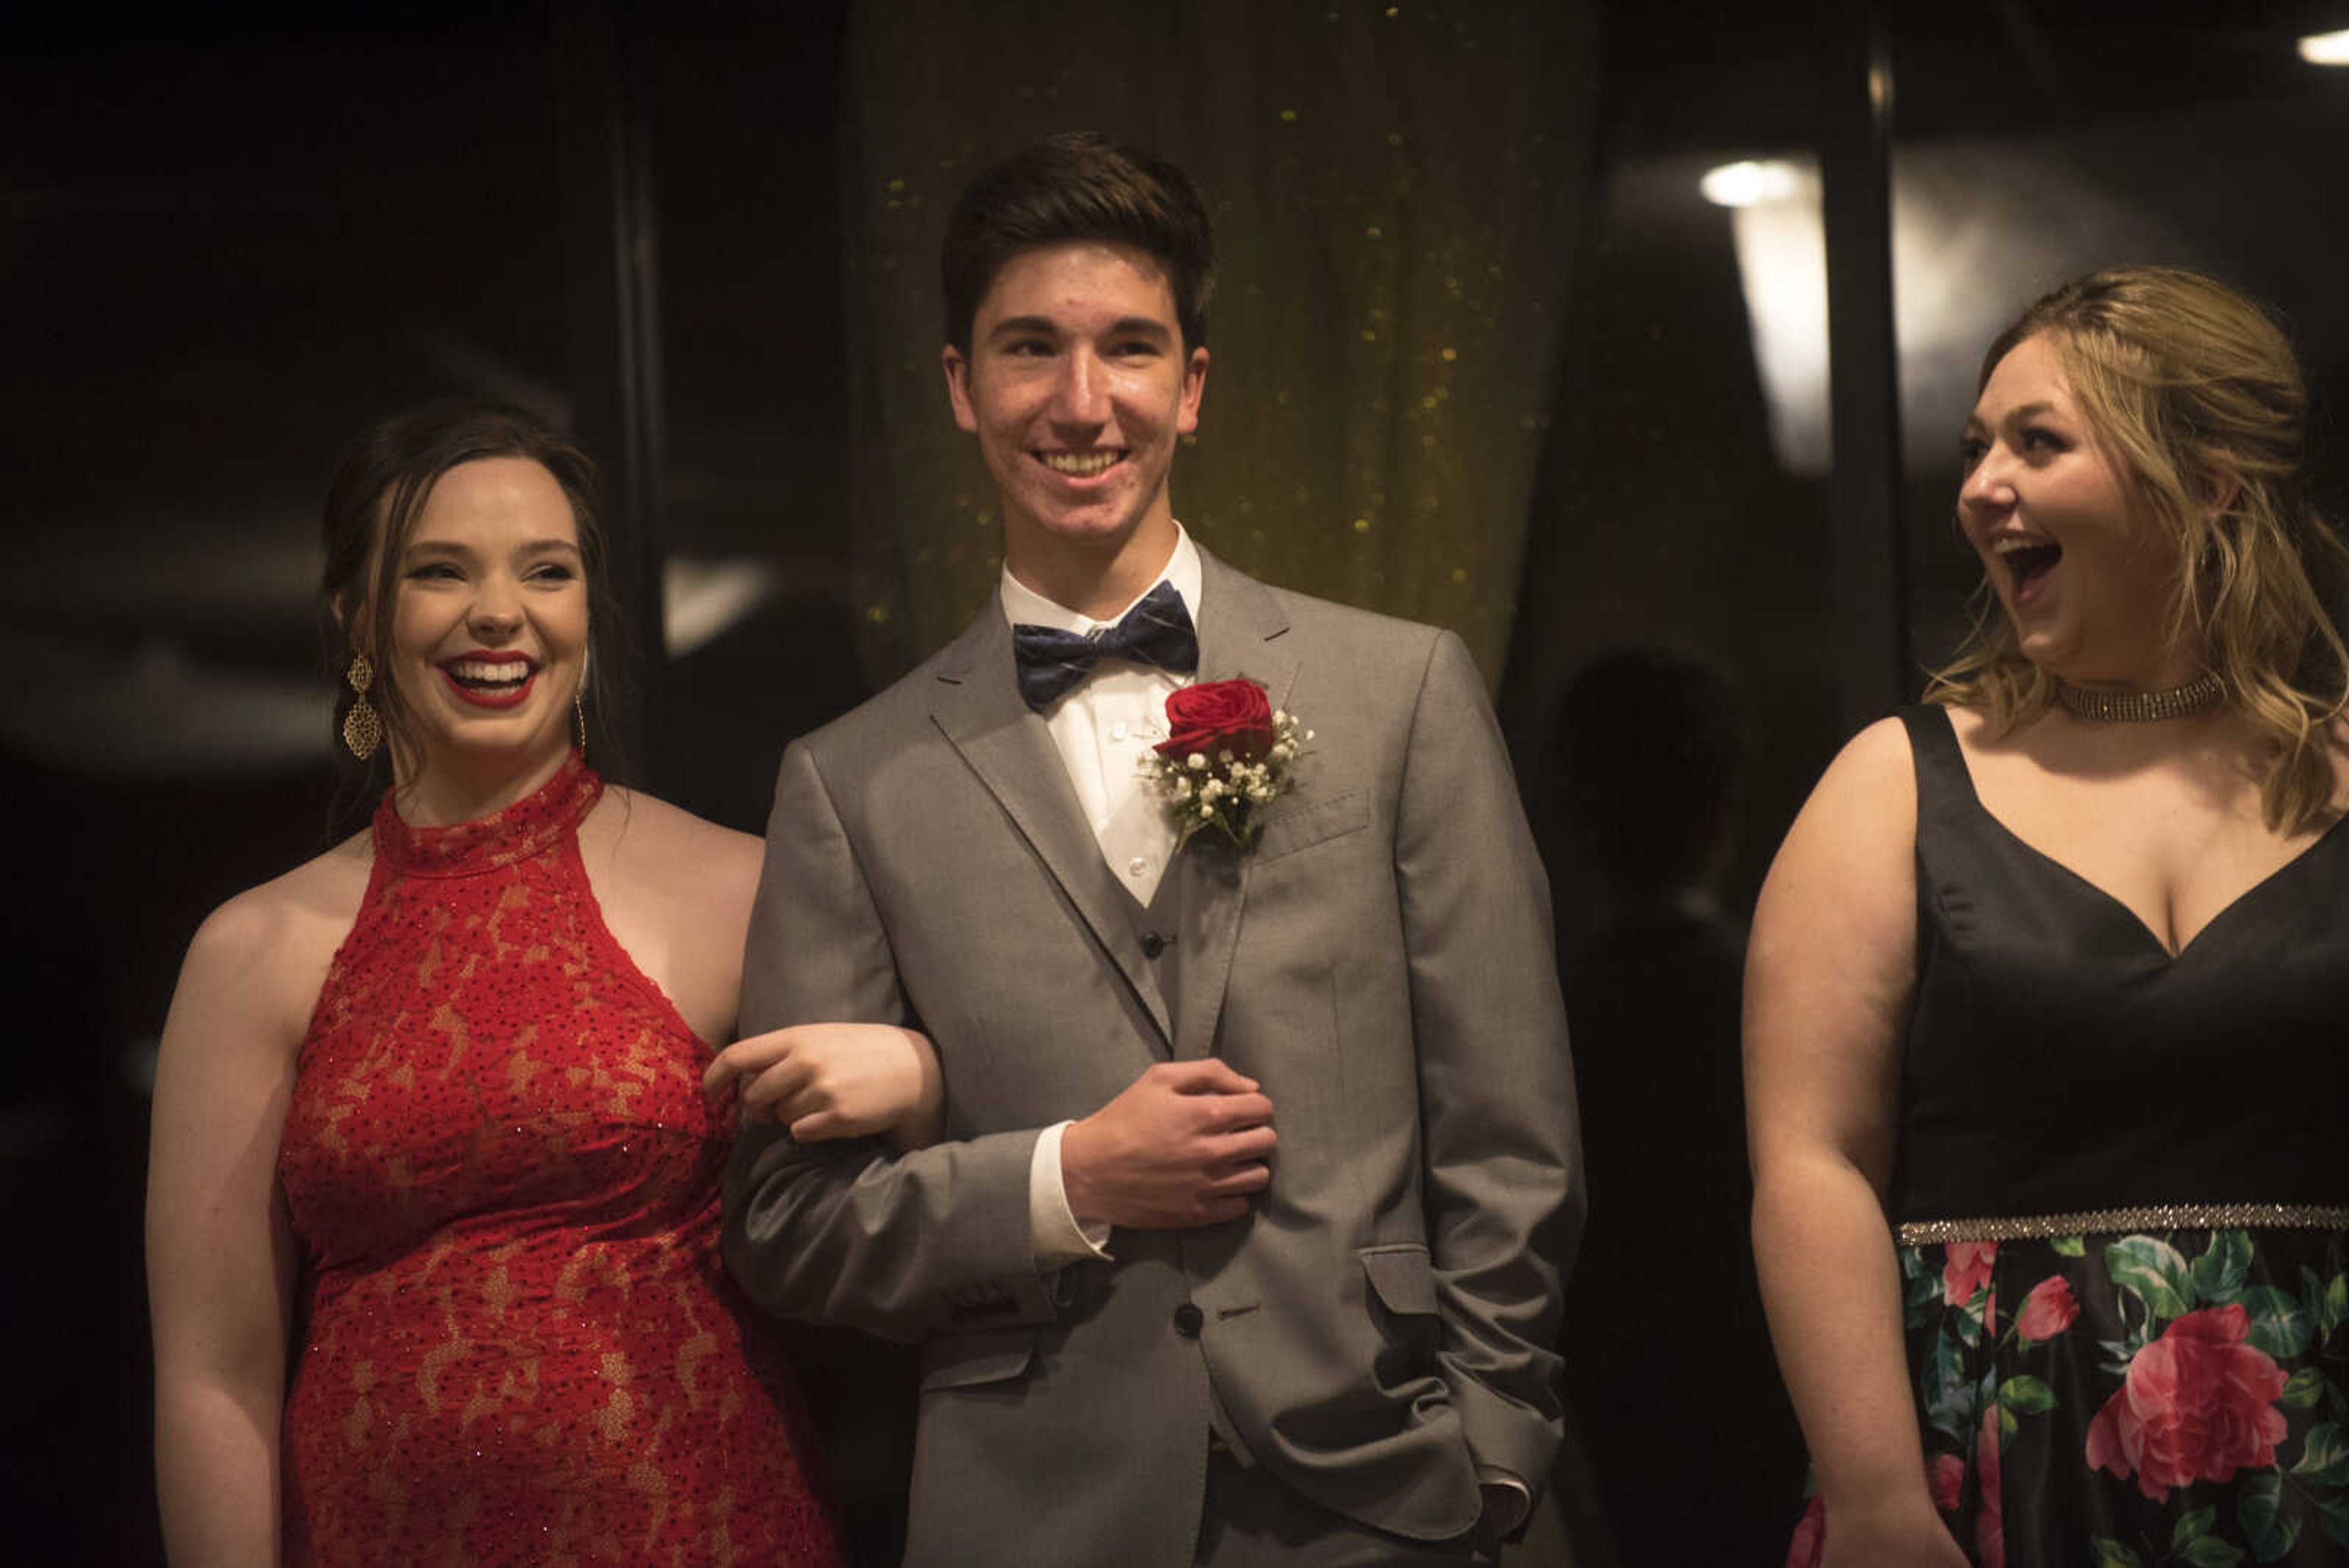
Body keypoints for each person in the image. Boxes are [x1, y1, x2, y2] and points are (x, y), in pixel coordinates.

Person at [721, 131, 1581, 1567]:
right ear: (958, 387)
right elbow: (788, 1226)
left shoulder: (1400, 691)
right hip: (1035, 1508)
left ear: (1191, 385)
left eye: (1129, 347)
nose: (1080, 401)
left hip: (1382, 1487)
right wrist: (1064, 1179)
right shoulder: (849, 779)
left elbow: (1511, 1122)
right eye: (1027, 350)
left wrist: (1495, 1452)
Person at [146, 402, 940, 1565]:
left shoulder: (740, 887)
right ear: (357, 617)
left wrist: (924, 1076)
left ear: (584, 611)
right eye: (440, 572)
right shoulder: (252, 950)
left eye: (546, 570)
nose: (499, 613)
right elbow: (213, 1375)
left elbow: (913, 1208)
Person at [1747, 266, 2349, 1567]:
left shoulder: (2344, 775)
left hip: (2314, 1448)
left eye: (2038, 442)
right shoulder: (1895, 784)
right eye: (1975, 450)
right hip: (1999, 1455)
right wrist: (1876, 1497)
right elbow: (1812, 1161)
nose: (1979, 489)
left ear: (2208, 481)